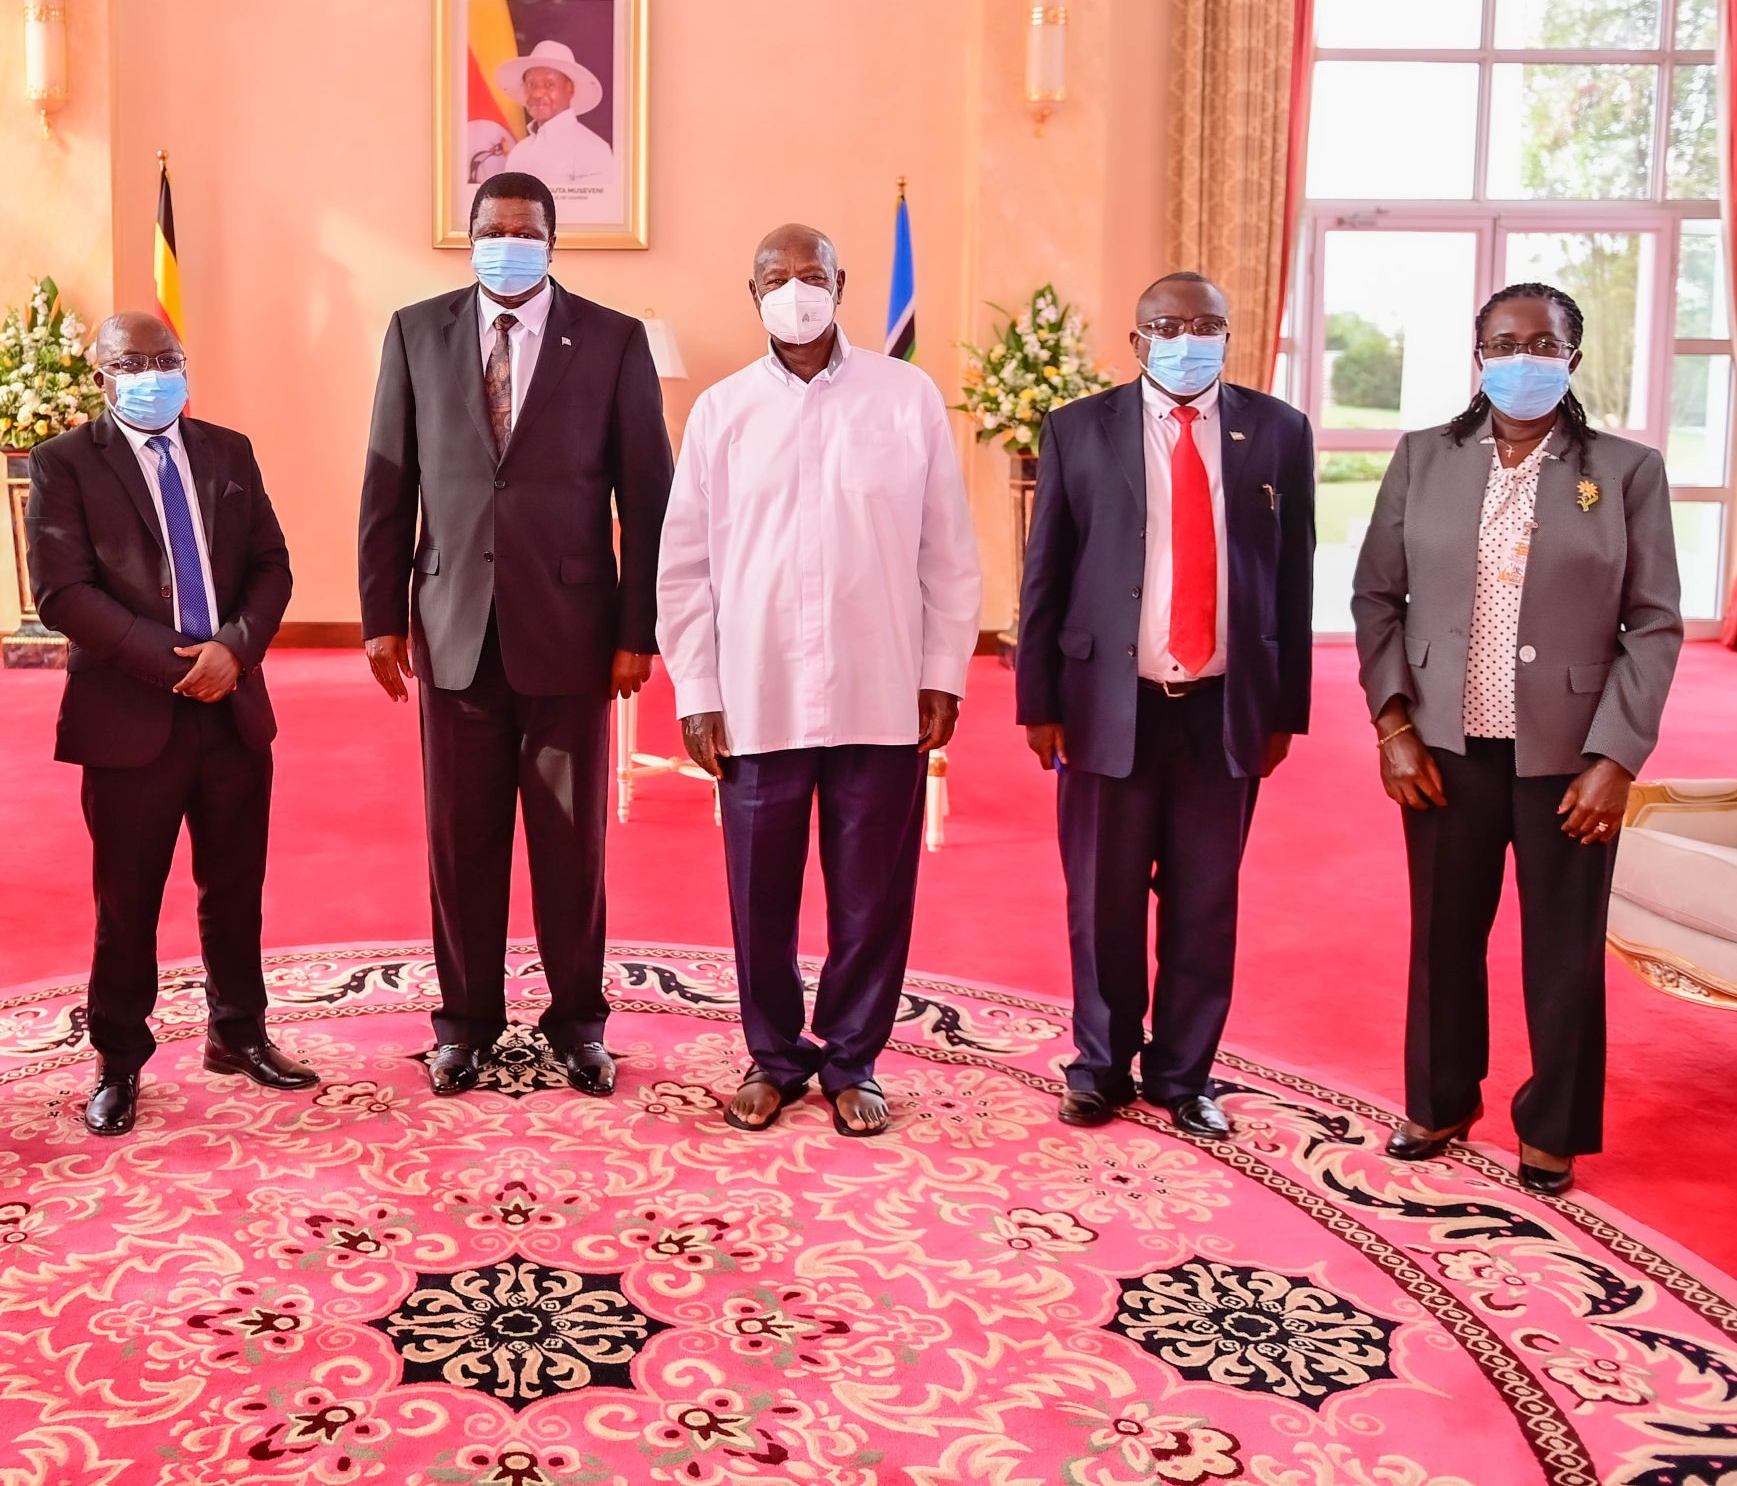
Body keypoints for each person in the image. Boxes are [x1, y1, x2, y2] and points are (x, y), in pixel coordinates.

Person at [1354, 281, 1680, 1195]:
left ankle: (1554, 1122)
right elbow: (1375, 597)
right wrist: (1393, 724)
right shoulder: (1424, 458)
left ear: (1572, 360)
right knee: (1442, 937)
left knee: (1563, 948)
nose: (1522, 359)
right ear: (1479, 354)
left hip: (1570, 760)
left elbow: (1653, 623)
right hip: (1444, 750)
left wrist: (1616, 756)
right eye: (1505, 343)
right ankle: (1442, 1095)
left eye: (1543, 345)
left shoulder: (1623, 470)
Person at [658, 224, 979, 1136]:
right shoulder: (721, 412)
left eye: (811, 274)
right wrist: (697, 687)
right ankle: (773, 1057)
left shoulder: (905, 396)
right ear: (749, 291)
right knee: (759, 891)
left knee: (872, 893)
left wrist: (941, 671)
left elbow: (947, 551)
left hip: (882, 689)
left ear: (843, 282)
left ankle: (851, 1058)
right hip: (757, 694)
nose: (795, 290)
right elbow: (684, 565)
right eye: (775, 276)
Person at [358, 169, 673, 1097]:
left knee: (572, 845)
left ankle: (578, 1021)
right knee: (459, 841)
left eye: (524, 229)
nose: (507, 241)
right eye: (491, 228)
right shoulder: (416, 331)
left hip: (573, 636)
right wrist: (380, 615)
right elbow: (388, 483)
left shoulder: (614, 341)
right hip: (453, 626)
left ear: (551, 240)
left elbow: (646, 501)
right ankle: (464, 1022)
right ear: (467, 236)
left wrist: (636, 629)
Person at [1015, 271, 1315, 1141]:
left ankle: (1185, 1075)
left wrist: (1283, 708)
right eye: (1170, 324)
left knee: (1204, 900)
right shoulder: (1079, 429)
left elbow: (1292, 576)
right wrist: (1040, 699)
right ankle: (1099, 1067)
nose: (1191, 339)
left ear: (1230, 333)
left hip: (1224, 710)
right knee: (1102, 899)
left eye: (1208, 323)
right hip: (1108, 702)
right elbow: (1047, 573)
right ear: (1138, 338)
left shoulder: (1278, 432)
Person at [26, 312, 314, 1136]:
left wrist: (234, 649)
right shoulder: (63, 464)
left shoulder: (228, 450)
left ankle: (238, 1032)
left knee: (235, 888)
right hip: (128, 717)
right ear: (101, 377)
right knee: (128, 901)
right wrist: (177, 662)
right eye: (132, 362)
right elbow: (62, 592)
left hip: (233, 708)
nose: (152, 374)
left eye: (167, 360)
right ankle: (119, 1060)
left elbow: (272, 564)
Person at [498, 42, 617, 194]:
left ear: (570, 89)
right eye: (531, 84)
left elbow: (593, 214)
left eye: (549, 84)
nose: (537, 94)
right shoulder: (519, 150)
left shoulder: (593, 149)